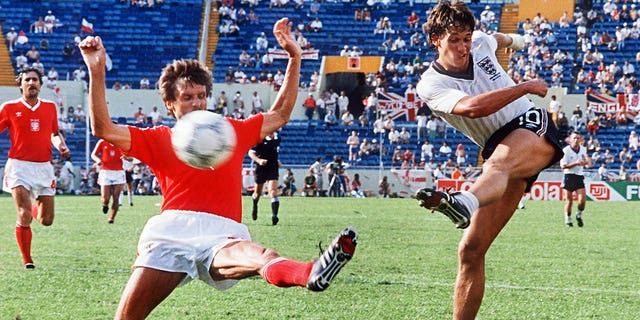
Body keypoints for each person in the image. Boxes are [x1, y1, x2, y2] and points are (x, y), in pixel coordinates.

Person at [80, 18, 357, 319]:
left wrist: (294, 56)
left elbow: (279, 114)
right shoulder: (159, 138)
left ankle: (310, 273)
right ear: (170, 104)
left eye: (201, 96)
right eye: (187, 98)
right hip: (173, 230)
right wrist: (96, 70)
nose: (197, 103)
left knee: (261, 256)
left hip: (222, 231)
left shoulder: (229, 131)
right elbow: (103, 128)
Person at [414, 2, 564, 319]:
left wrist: (519, 41)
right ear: (435, 40)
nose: (464, 46)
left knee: (495, 166)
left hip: (531, 123)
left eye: (466, 37)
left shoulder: (481, 41)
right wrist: (524, 86)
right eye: (455, 39)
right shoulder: (431, 84)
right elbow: (473, 108)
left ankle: (464, 203)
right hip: (500, 148)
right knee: (470, 251)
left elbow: (497, 38)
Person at [1, 66, 70, 269]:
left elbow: (54, 133)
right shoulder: (9, 108)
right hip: (18, 167)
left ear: (40, 84)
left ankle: (33, 209)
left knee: (46, 220)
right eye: (27, 80)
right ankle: (27, 260)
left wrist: (61, 145)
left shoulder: (49, 107)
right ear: (20, 84)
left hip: (43, 168)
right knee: (23, 214)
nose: (31, 83)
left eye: (35, 80)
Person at [249, 133, 282, 225]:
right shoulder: (260, 138)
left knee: (273, 191)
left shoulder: (277, 138)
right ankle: (255, 206)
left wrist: (277, 161)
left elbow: (273, 152)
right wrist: (259, 160)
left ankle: (274, 216)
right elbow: (251, 153)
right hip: (261, 168)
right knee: (257, 193)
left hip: (273, 168)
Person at [91, 138, 126, 223]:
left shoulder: (121, 142)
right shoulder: (102, 142)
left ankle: (112, 218)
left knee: (116, 197)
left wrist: (127, 158)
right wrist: (98, 160)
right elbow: (93, 154)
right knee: (105, 198)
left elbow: (130, 156)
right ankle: (105, 204)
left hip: (119, 172)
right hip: (106, 172)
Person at [560, 131, 590, 227]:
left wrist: (585, 162)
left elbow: (588, 163)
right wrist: (576, 163)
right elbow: (563, 166)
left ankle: (578, 214)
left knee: (582, 201)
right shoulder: (566, 151)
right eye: (574, 138)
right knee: (569, 201)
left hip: (579, 176)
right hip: (569, 176)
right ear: (570, 140)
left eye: (578, 138)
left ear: (580, 139)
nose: (576, 140)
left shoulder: (583, 149)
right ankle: (568, 219)